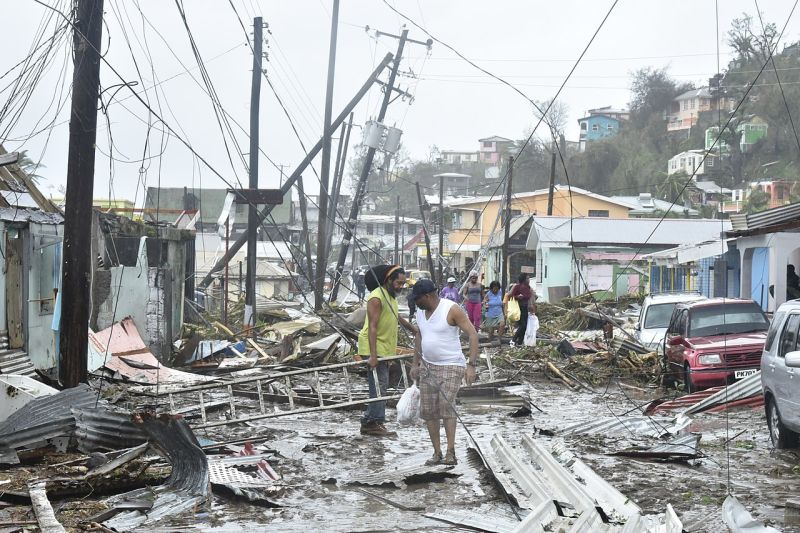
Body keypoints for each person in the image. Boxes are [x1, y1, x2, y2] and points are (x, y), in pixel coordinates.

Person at [409, 279, 479, 466]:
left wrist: (471, 365)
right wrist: (415, 363)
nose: (415, 302)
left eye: (417, 299)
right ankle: (437, 452)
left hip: (451, 365)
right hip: (428, 366)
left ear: (428, 296)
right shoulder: (420, 313)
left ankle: (451, 452)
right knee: (429, 410)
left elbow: (472, 333)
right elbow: (419, 335)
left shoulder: (451, 309)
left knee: (445, 406)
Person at [357, 264, 417, 436]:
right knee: (378, 385)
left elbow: (396, 317)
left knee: (381, 385)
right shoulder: (376, 298)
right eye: (398, 283)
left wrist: (413, 329)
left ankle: (374, 420)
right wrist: (373, 355)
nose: (401, 287)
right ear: (388, 280)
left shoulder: (390, 298)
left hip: (384, 347)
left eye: (403, 284)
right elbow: (373, 327)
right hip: (373, 347)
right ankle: (371, 422)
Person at [509, 273, 536, 346]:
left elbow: (531, 298)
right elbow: (510, 295)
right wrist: (518, 296)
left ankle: (520, 342)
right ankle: (513, 340)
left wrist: (532, 308)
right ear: (523, 279)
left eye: (529, 278)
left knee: (525, 326)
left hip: (525, 308)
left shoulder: (528, 288)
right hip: (518, 308)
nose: (529, 280)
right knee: (522, 325)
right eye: (527, 278)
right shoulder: (517, 286)